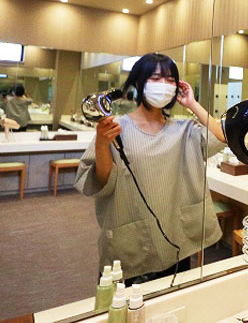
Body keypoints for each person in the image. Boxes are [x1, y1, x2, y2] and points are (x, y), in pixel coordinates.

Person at [75, 53, 226, 285]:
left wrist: (192, 104)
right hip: (132, 240)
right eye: (155, 78)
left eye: (170, 80)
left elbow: (222, 136)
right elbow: (101, 183)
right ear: (139, 83)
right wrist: (102, 144)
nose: (163, 85)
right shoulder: (115, 129)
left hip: (177, 237)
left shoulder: (185, 129)